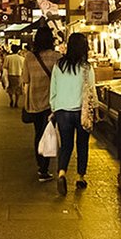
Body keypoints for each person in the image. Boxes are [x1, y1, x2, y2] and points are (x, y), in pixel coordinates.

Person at [49, 32, 94, 196]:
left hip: (62, 112)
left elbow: (53, 89)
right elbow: (91, 91)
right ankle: (80, 177)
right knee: (82, 145)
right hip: (81, 111)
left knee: (66, 145)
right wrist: (94, 107)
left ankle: (61, 173)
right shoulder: (86, 67)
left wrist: (54, 107)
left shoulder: (59, 65)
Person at [22, 27, 60, 182]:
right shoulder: (57, 57)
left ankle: (41, 165)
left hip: (34, 101)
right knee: (49, 132)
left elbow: (25, 80)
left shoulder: (29, 58)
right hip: (52, 102)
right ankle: (44, 168)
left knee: (38, 133)